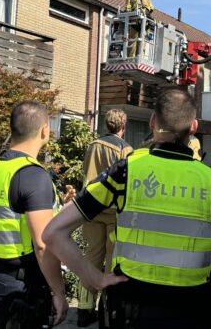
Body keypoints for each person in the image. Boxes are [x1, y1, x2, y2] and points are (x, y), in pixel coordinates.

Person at [44, 88, 211, 328]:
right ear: (193, 127)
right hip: (191, 313)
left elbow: (53, 232)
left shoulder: (125, 172)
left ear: (152, 121)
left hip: (130, 311)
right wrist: (199, 279)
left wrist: (95, 279)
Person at [0, 101, 68, 328]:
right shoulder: (33, 175)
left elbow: (11, 215)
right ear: (45, 130)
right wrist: (58, 292)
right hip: (22, 289)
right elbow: (43, 244)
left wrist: (59, 209)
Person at [76, 109, 134, 326]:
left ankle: (84, 309)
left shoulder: (93, 145)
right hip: (113, 214)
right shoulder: (125, 149)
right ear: (123, 125)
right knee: (111, 261)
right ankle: (106, 309)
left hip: (90, 210)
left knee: (91, 257)